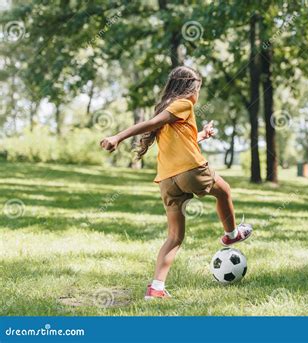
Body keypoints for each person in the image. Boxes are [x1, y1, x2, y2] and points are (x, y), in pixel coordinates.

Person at [100, 66, 252, 298]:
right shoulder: (184, 104)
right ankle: (231, 234)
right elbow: (150, 124)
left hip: (168, 180)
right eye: (198, 89)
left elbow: (184, 141)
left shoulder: (171, 109)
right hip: (191, 171)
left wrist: (202, 135)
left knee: (175, 236)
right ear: (191, 88)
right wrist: (118, 137)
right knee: (224, 190)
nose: (198, 94)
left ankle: (156, 288)